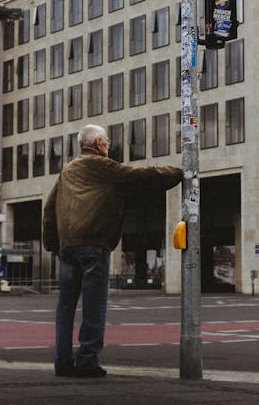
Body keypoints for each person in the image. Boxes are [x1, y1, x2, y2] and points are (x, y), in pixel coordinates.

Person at [43, 124, 182, 379]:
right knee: (94, 306)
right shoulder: (102, 166)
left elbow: (49, 208)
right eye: (107, 141)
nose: (109, 145)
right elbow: (141, 176)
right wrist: (178, 172)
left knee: (65, 307)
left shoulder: (67, 171)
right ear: (97, 144)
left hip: (68, 247)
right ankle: (86, 361)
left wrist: (53, 246)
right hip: (94, 244)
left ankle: (62, 362)